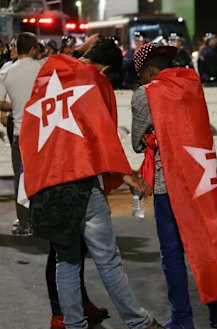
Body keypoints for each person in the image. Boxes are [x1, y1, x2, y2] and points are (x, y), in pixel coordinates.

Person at [18, 38, 167, 329]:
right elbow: (102, 132)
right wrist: (125, 174)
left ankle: (74, 324)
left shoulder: (48, 72)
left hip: (46, 185)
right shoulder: (94, 81)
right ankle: (138, 322)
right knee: (107, 259)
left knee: (66, 259)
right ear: (107, 68)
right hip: (79, 182)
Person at [131, 42, 217, 329]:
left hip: (170, 183)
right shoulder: (192, 84)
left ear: (150, 70)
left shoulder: (146, 93)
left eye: (139, 74)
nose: (139, 80)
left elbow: (135, 141)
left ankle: (182, 319)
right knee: (207, 244)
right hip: (202, 178)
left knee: (172, 253)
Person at [0, 32, 40, 236]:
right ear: (33, 49)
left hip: (20, 132)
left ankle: (25, 223)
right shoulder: (45, 68)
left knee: (21, 177)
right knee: (43, 176)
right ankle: (44, 220)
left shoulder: (7, 71)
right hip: (44, 132)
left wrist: (16, 106)